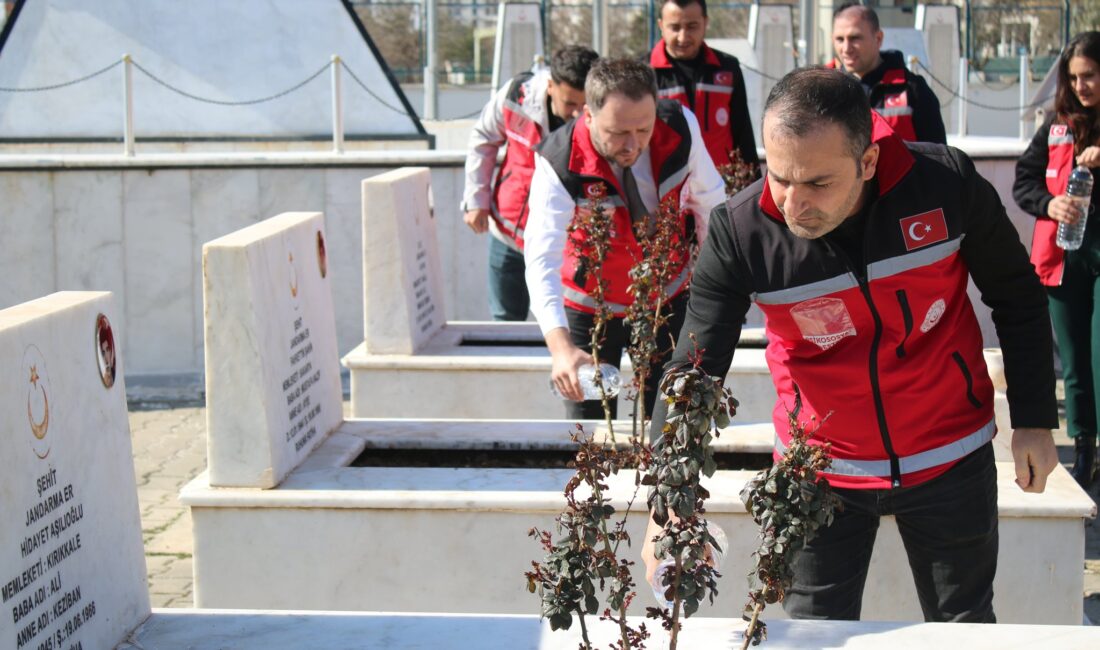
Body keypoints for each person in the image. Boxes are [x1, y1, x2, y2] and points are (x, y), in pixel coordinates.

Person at [642, 67, 1059, 622]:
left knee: (964, 628)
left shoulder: (945, 183)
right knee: (814, 634)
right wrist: (667, 503)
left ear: (867, 162)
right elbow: (693, 369)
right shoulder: (741, 232)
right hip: (816, 472)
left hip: (950, 454)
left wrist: (1033, 418)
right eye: (779, 177)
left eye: (817, 183)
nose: (792, 203)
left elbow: (1017, 296)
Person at [524, 57, 726, 420]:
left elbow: (711, 206)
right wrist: (560, 348)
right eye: (617, 133)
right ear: (587, 115)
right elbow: (541, 258)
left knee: (669, 419)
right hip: (590, 307)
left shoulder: (681, 127)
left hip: (667, 296)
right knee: (588, 428)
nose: (633, 145)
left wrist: (716, 294)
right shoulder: (557, 161)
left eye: (643, 130)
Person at [1013, 31, 1100, 487]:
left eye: (1090, 75)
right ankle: (1086, 448)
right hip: (1064, 255)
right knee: (1074, 362)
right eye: (1074, 77)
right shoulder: (1057, 123)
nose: (1082, 85)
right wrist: (1051, 204)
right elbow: (1023, 181)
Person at [462, 45, 600, 321]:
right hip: (509, 234)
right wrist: (476, 200)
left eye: (584, 105)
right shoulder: (516, 94)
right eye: (569, 103)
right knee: (505, 325)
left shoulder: (603, 117)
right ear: (550, 86)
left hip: (564, 246)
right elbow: (483, 139)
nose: (576, 114)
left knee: (562, 329)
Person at [647, 0, 761, 173]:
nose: (683, 37)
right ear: (661, 25)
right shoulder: (644, 74)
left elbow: (742, 131)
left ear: (705, 23)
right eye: (675, 27)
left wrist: (754, 185)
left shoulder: (727, 67)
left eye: (692, 26)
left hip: (722, 185)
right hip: (667, 188)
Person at [829, 2, 947, 144]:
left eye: (855, 38)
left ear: (878, 38)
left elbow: (937, 156)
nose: (846, 48)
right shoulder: (828, 91)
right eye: (840, 39)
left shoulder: (913, 90)